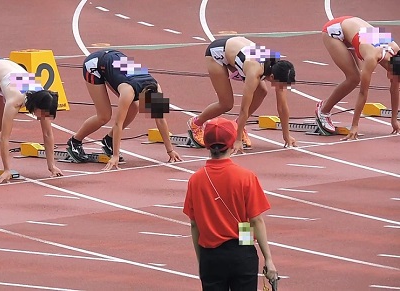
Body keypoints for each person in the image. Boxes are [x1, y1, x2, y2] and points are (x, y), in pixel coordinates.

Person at [183, 117, 278, 290]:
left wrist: (202, 261)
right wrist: (269, 260)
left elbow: (194, 224)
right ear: (232, 144)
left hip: (210, 254)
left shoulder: (195, 180)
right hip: (242, 248)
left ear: (206, 145)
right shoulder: (246, 177)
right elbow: (255, 220)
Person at [67, 49, 182, 170]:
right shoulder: (128, 91)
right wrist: (115, 156)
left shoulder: (157, 87)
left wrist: (170, 150)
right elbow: (118, 124)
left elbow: (160, 120)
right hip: (94, 65)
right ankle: (75, 141)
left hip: (116, 62)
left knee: (135, 106)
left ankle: (109, 140)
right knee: (104, 116)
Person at [187, 36, 297, 154]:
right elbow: (244, 109)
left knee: (262, 91)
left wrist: (286, 135)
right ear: (272, 77)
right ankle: (196, 123)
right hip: (217, 53)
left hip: (238, 49)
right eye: (282, 85)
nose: (283, 89)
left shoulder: (279, 68)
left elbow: (282, 107)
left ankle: (238, 124)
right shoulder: (254, 72)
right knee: (226, 103)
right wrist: (238, 139)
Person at [0, 57, 63, 183]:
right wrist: (7, 169)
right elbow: (5, 138)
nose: (44, 117)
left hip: (4, 75)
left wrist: (51, 166)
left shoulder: (43, 97)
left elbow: (47, 133)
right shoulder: (15, 100)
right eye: (44, 114)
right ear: (37, 106)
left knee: (0, 124)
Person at [317, 16, 400, 139]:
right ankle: (323, 111)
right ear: (391, 71)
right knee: (354, 78)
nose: (394, 82)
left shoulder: (397, 52)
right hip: (333, 31)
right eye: (396, 79)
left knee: (356, 76)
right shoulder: (372, 57)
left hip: (354, 27)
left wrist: (394, 119)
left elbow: (394, 90)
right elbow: (363, 93)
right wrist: (354, 126)